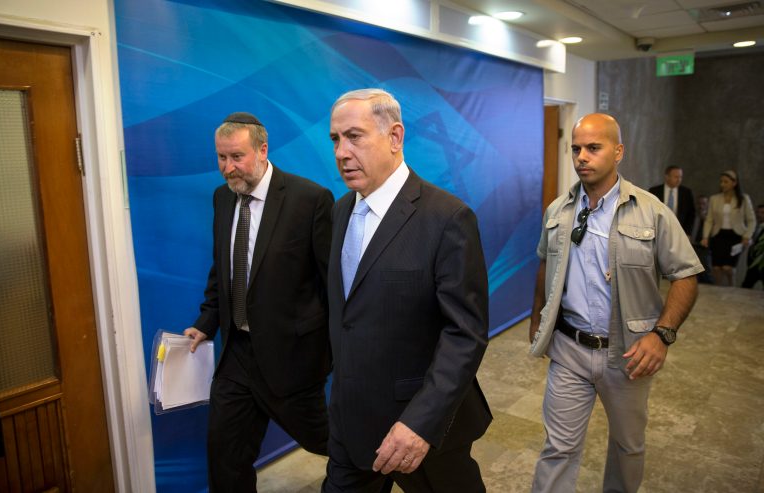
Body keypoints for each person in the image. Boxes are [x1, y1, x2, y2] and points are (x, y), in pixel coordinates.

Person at [322, 88, 492, 493]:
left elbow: (464, 334)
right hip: (351, 423)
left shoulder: (448, 218)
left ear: (395, 137)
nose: (342, 152)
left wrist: (420, 424)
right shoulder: (341, 211)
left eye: (354, 136)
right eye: (335, 139)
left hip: (423, 430)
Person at [528, 113, 703, 493]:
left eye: (593, 148)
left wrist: (662, 335)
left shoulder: (652, 211)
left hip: (627, 354)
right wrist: (537, 319)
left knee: (628, 447)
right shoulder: (557, 210)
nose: (582, 157)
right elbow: (545, 264)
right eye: (576, 149)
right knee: (558, 448)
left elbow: (686, 275)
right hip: (569, 349)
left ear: (618, 151)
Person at [184, 112, 334, 492]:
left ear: (263, 150)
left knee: (334, 445)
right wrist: (206, 323)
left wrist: (338, 352)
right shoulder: (222, 198)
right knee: (225, 456)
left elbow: (332, 284)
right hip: (237, 354)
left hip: (292, 359)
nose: (228, 168)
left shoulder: (309, 200)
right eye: (221, 158)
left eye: (237, 157)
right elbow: (223, 268)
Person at [700, 170, 756, 286]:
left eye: (726, 182)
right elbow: (709, 220)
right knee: (716, 268)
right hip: (718, 236)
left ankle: (732, 290)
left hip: (736, 237)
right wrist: (705, 237)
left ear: (734, 183)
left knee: (728, 268)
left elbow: (752, 220)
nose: (722, 184)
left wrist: (747, 236)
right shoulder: (714, 199)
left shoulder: (744, 199)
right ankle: (717, 291)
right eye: (721, 181)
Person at [648, 165, 695, 235]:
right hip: (658, 230)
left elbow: (691, 214)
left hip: (679, 231)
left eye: (680, 177)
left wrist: (688, 233)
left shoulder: (686, 192)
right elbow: (649, 211)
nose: (679, 180)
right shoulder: (654, 191)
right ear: (667, 177)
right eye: (676, 177)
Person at [690, 194, 714, 284]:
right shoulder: (693, 216)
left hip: (705, 247)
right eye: (699, 204)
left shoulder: (710, 218)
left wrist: (705, 219)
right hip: (693, 246)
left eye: (704, 204)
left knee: (706, 270)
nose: (701, 206)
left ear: (708, 205)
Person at [742, 204, 764, 289]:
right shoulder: (754, 228)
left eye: (762, 213)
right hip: (753, 264)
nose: (759, 215)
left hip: (761, 264)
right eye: (757, 212)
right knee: (745, 287)